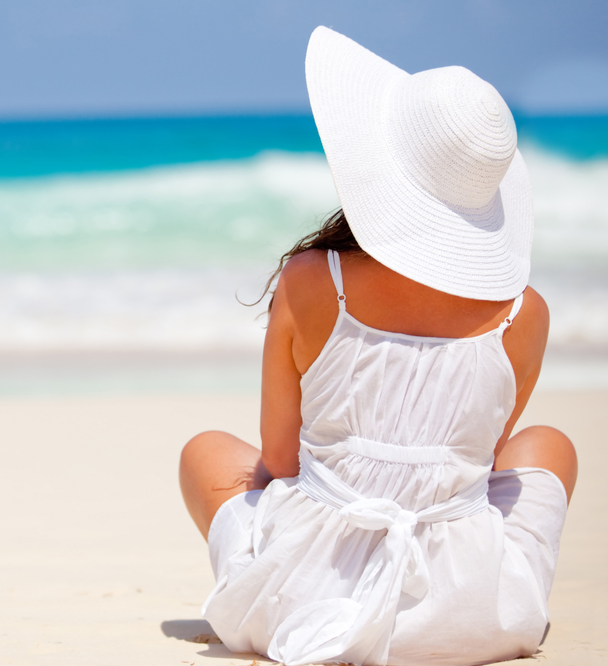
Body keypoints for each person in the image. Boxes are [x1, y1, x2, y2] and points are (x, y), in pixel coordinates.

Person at [178, 27, 577, 666]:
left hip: (306, 607)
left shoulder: (314, 280)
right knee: (549, 446)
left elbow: (281, 461)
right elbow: (480, 463)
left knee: (207, 453)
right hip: (469, 617)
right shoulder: (523, 314)